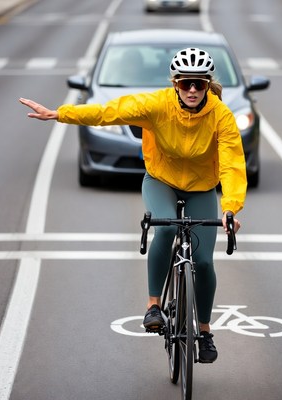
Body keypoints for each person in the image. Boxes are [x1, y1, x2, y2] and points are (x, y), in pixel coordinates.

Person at [19, 47, 247, 363]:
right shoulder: (156, 106)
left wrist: (231, 207)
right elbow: (108, 111)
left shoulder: (221, 115)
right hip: (160, 181)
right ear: (175, 83)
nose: (192, 90)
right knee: (165, 229)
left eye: (199, 83)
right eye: (185, 84)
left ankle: (205, 331)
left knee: (205, 263)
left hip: (202, 189)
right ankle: (153, 306)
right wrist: (60, 113)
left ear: (208, 84)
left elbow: (233, 163)